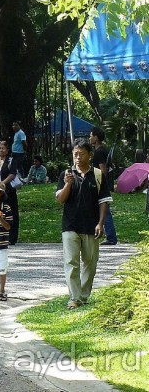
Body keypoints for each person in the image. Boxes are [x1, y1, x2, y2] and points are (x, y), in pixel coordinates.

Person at [56, 138, 113, 309]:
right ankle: (74, 297)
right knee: (71, 262)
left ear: (90, 155)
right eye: (75, 154)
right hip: (70, 225)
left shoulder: (97, 174)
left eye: (81, 154)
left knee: (90, 263)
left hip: (91, 225)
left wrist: (101, 223)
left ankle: (84, 295)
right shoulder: (66, 174)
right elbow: (60, 200)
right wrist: (67, 184)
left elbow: (103, 201)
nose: (78, 157)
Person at [0, 140, 20, 245]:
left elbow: (12, 174)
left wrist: (2, 183)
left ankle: (12, 237)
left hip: (8, 190)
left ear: (7, 150)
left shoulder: (11, 160)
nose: (0, 150)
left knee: (12, 212)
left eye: (3, 148)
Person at [90, 127, 117, 245]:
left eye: (91, 136)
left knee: (105, 210)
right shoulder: (100, 150)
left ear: (96, 138)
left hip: (99, 184)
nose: (89, 138)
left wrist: (100, 185)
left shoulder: (99, 152)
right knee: (101, 209)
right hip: (99, 183)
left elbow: (103, 170)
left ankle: (111, 237)